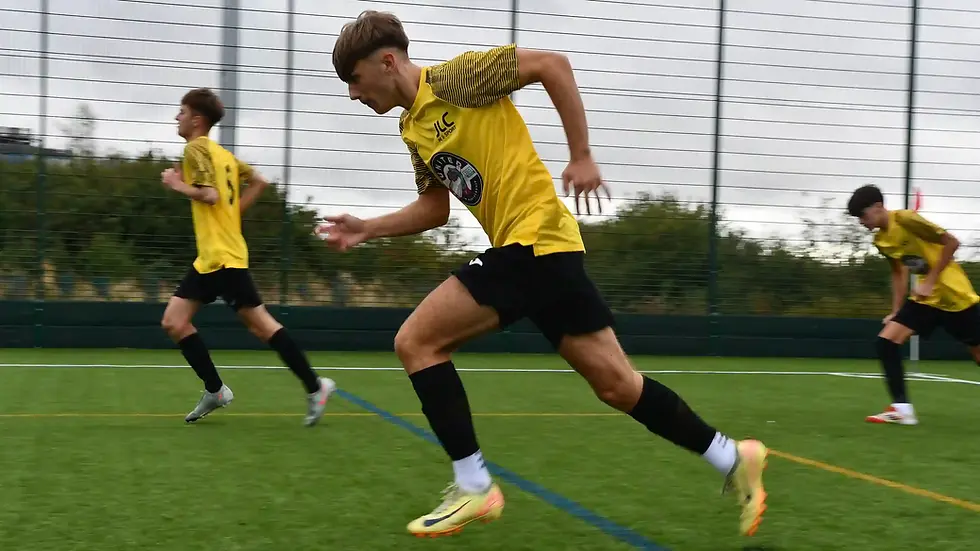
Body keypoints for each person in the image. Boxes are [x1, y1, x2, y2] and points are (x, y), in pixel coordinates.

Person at [319, 10, 768, 539]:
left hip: (532, 242)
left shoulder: (459, 77)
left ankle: (474, 487)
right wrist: (369, 227)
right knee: (618, 386)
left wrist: (580, 155)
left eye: (353, 79)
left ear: (387, 61)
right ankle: (732, 458)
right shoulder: (411, 128)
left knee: (415, 342)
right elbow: (434, 210)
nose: (352, 94)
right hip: (547, 251)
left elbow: (553, 65)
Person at [159, 87, 337, 426]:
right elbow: (259, 181)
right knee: (174, 321)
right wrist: (233, 215)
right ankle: (215, 390)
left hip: (223, 259)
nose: (176, 117)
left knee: (262, 327)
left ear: (197, 119)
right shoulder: (222, 155)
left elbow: (209, 195)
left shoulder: (195, 148)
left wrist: (176, 184)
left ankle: (316, 387)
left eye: (181, 112)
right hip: (212, 258)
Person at [847, 184, 980, 425]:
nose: (861, 222)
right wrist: (896, 311)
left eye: (863, 215)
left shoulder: (907, 219)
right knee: (886, 342)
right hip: (925, 300)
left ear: (878, 207)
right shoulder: (881, 240)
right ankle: (902, 410)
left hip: (954, 296)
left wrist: (929, 280)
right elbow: (898, 273)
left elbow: (951, 242)